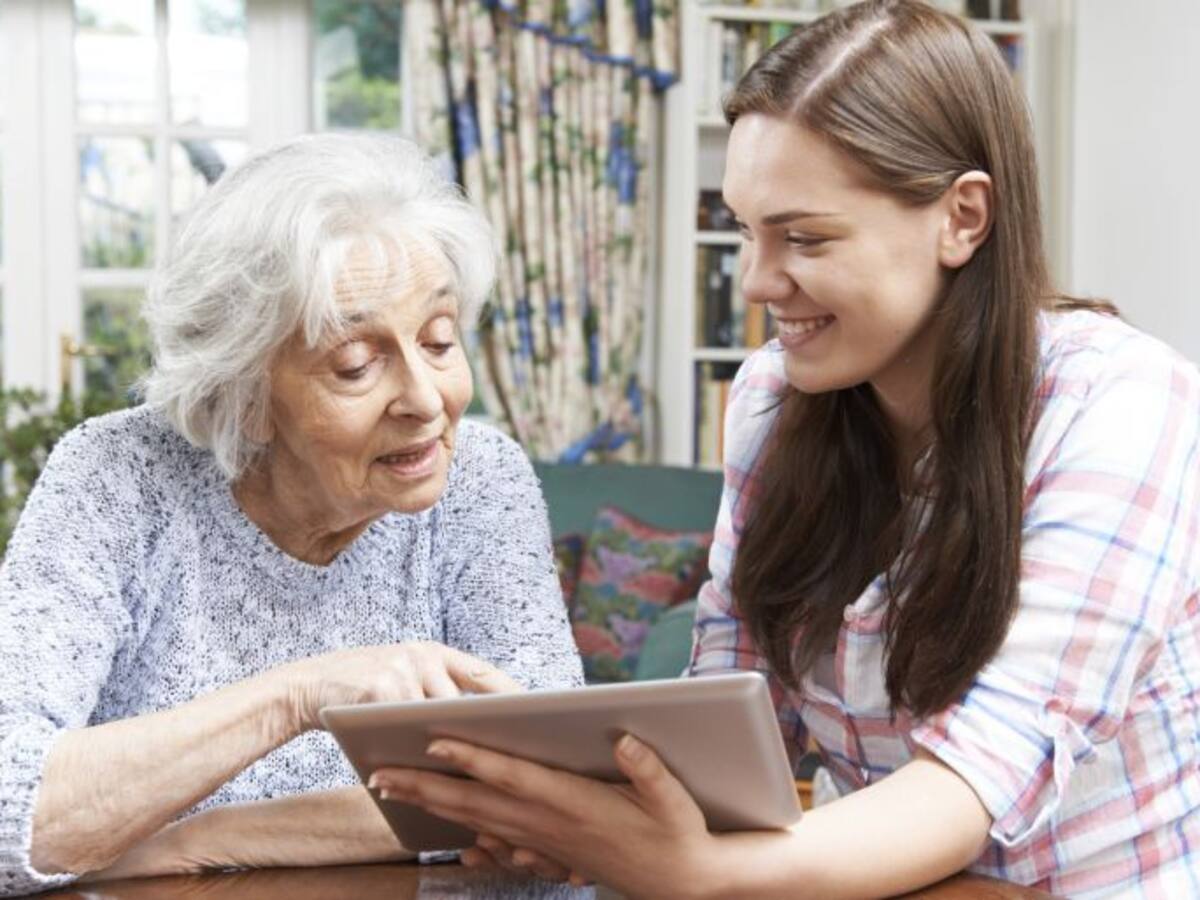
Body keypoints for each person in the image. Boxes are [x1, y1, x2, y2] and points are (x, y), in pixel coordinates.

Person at [368, 2, 1200, 897]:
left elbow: (978, 778)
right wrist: (580, 815)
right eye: (744, 230)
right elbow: (729, 718)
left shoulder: (1123, 403)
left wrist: (697, 870)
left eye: (804, 237)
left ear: (962, 218)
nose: (758, 282)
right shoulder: (772, 398)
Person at [0, 133, 583, 897]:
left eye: (439, 340)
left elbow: (555, 791)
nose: (426, 399)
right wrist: (301, 695)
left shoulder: (482, 477)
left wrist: (200, 839)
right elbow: (13, 814)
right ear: (244, 397)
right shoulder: (117, 476)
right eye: (356, 364)